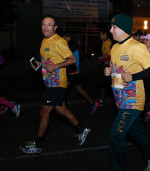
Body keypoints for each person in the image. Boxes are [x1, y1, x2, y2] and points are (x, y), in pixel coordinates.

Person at [20, 15, 91, 154]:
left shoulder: (59, 41)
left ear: (55, 27)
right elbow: (48, 61)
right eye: (43, 24)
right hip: (50, 82)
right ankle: (82, 130)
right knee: (60, 110)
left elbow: (72, 60)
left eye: (49, 24)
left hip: (57, 83)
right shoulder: (44, 41)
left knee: (44, 112)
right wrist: (39, 64)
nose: (45, 27)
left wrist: (56, 66)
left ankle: (37, 145)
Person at [104, 13, 150, 171]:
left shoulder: (137, 47)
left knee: (116, 136)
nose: (111, 30)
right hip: (119, 99)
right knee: (136, 131)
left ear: (123, 29)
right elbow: (119, 70)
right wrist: (109, 72)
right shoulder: (115, 47)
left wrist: (134, 76)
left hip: (132, 100)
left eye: (114, 27)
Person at [63, 31, 99, 114]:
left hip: (73, 71)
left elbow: (73, 60)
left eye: (64, 37)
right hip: (72, 71)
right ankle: (63, 106)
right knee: (65, 89)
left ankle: (92, 103)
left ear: (69, 37)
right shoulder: (72, 44)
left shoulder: (70, 45)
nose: (63, 39)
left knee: (78, 90)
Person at [98, 29, 113, 106]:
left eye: (101, 34)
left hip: (110, 67)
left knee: (107, 84)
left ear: (105, 34)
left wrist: (102, 60)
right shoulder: (103, 42)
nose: (99, 36)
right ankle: (101, 100)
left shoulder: (109, 42)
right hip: (106, 66)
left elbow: (111, 56)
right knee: (104, 84)